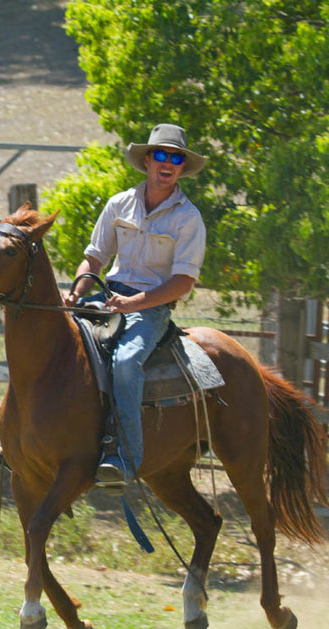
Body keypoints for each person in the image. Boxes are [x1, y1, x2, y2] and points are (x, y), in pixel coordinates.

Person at [63, 123, 207, 486]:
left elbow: (183, 283)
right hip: (108, 297)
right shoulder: (119, 204)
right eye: (161, 154)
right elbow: (94, 259)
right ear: (147, 160)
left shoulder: (188, 218)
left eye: (176, 158)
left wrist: (135, 302)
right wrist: (77, 291)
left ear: (182, 168)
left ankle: (125, 460)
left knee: (126, 363)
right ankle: (28, 439)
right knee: (51, 341)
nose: (168, 162)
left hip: (153, 308)